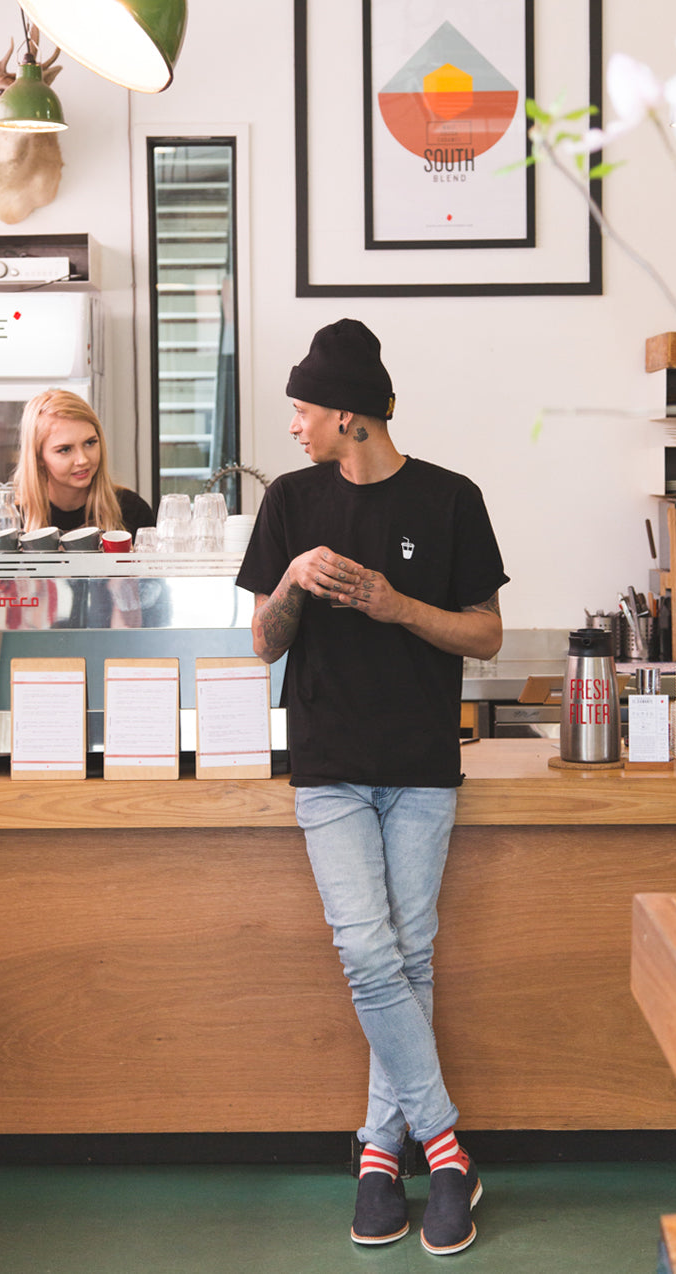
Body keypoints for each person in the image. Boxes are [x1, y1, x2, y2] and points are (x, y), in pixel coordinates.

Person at [236, 319, 508, 1256]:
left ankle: (379, 1161)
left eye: (303, 410)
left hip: (423, 768)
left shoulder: (450, 500)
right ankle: (445, 1148)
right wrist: (295, 588)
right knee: (367, 949)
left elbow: (487, 635)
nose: (294, 427)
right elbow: (263, 643)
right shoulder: (290, 506)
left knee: (409, 957)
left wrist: (394, 604)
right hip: (330, 770)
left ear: (348, 415)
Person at [12, 389, 154, 538]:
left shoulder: (132, 510)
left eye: (90, 443)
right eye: (65, 450)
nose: (83, 460)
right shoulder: (14, 519)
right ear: (38, 457)